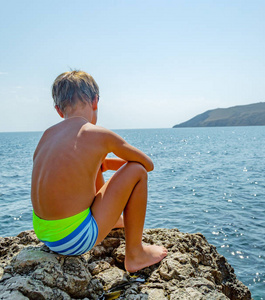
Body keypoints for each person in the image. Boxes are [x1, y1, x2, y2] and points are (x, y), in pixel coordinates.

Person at [31, 70, 167, 272]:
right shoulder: (96, 133)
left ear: (59, 110)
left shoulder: (47, 135)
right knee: (137, 172)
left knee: (93, 162)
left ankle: (110, 220)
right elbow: (147, 164)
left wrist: (101, 163)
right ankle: (136, 254)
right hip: (74, 240)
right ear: (95, 101)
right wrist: (108, 162)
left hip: (46, 234)